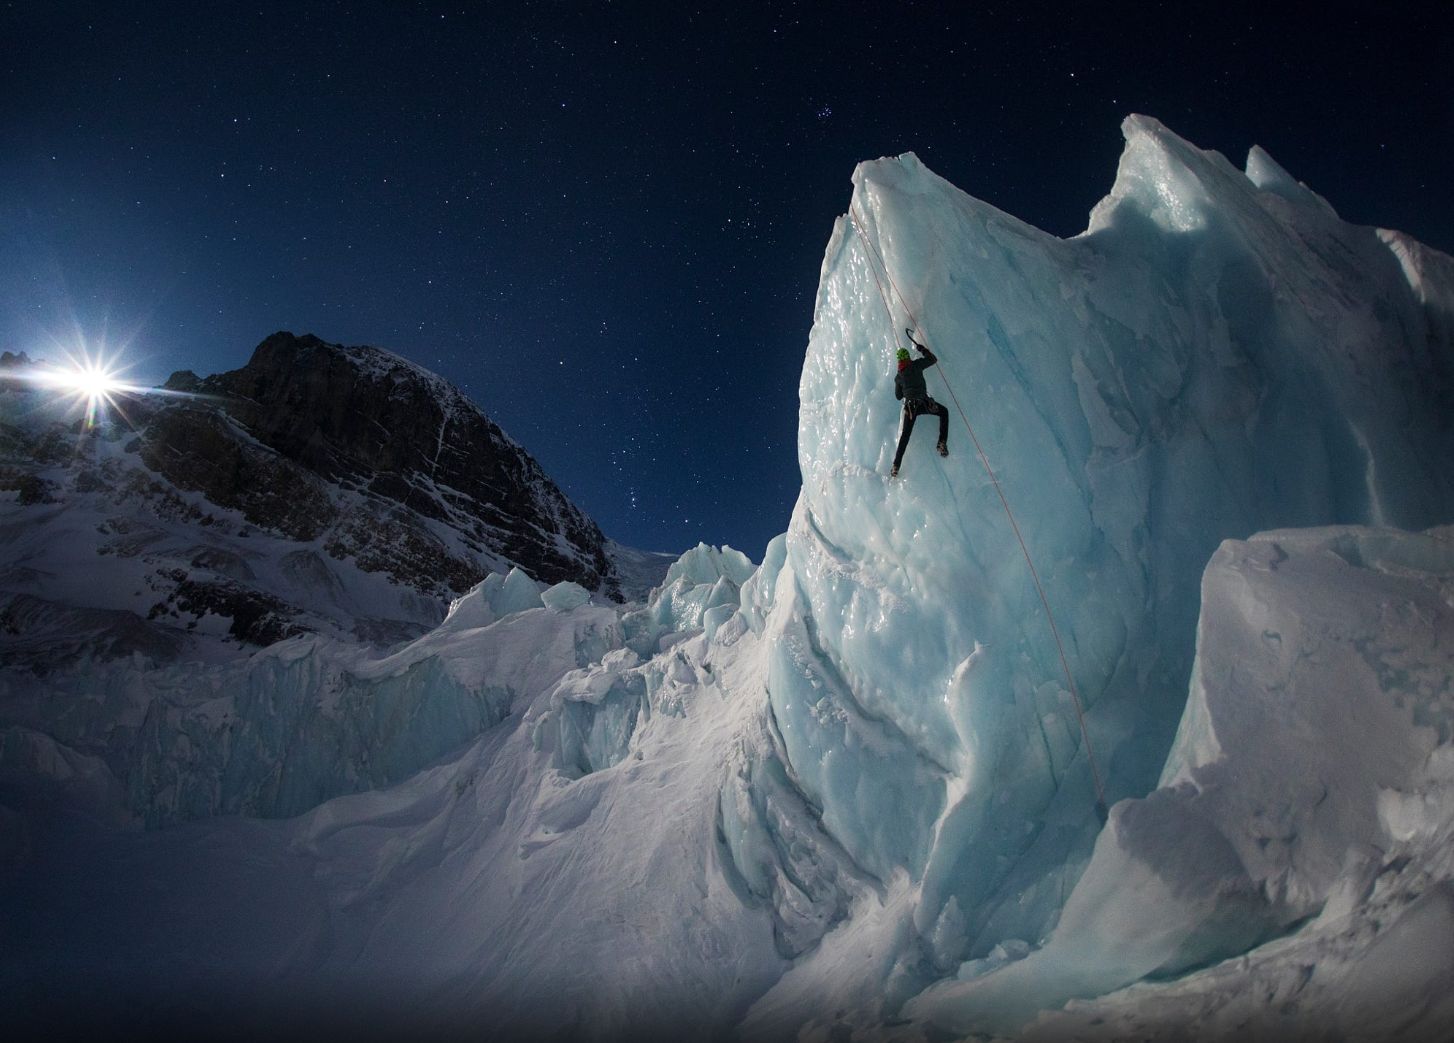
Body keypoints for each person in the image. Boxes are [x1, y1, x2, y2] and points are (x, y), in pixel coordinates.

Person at [890, 329, 949, 477]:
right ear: (908, 358)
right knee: (944, 412)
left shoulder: (898, 377)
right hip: (924, 404)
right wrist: (922, 349)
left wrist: (905, 387)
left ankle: (896, 466)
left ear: (899, 362)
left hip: (910, 408)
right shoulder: (916, 365)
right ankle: (941, 443)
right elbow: (933, 359)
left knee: (905, 436)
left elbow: (898, 396)